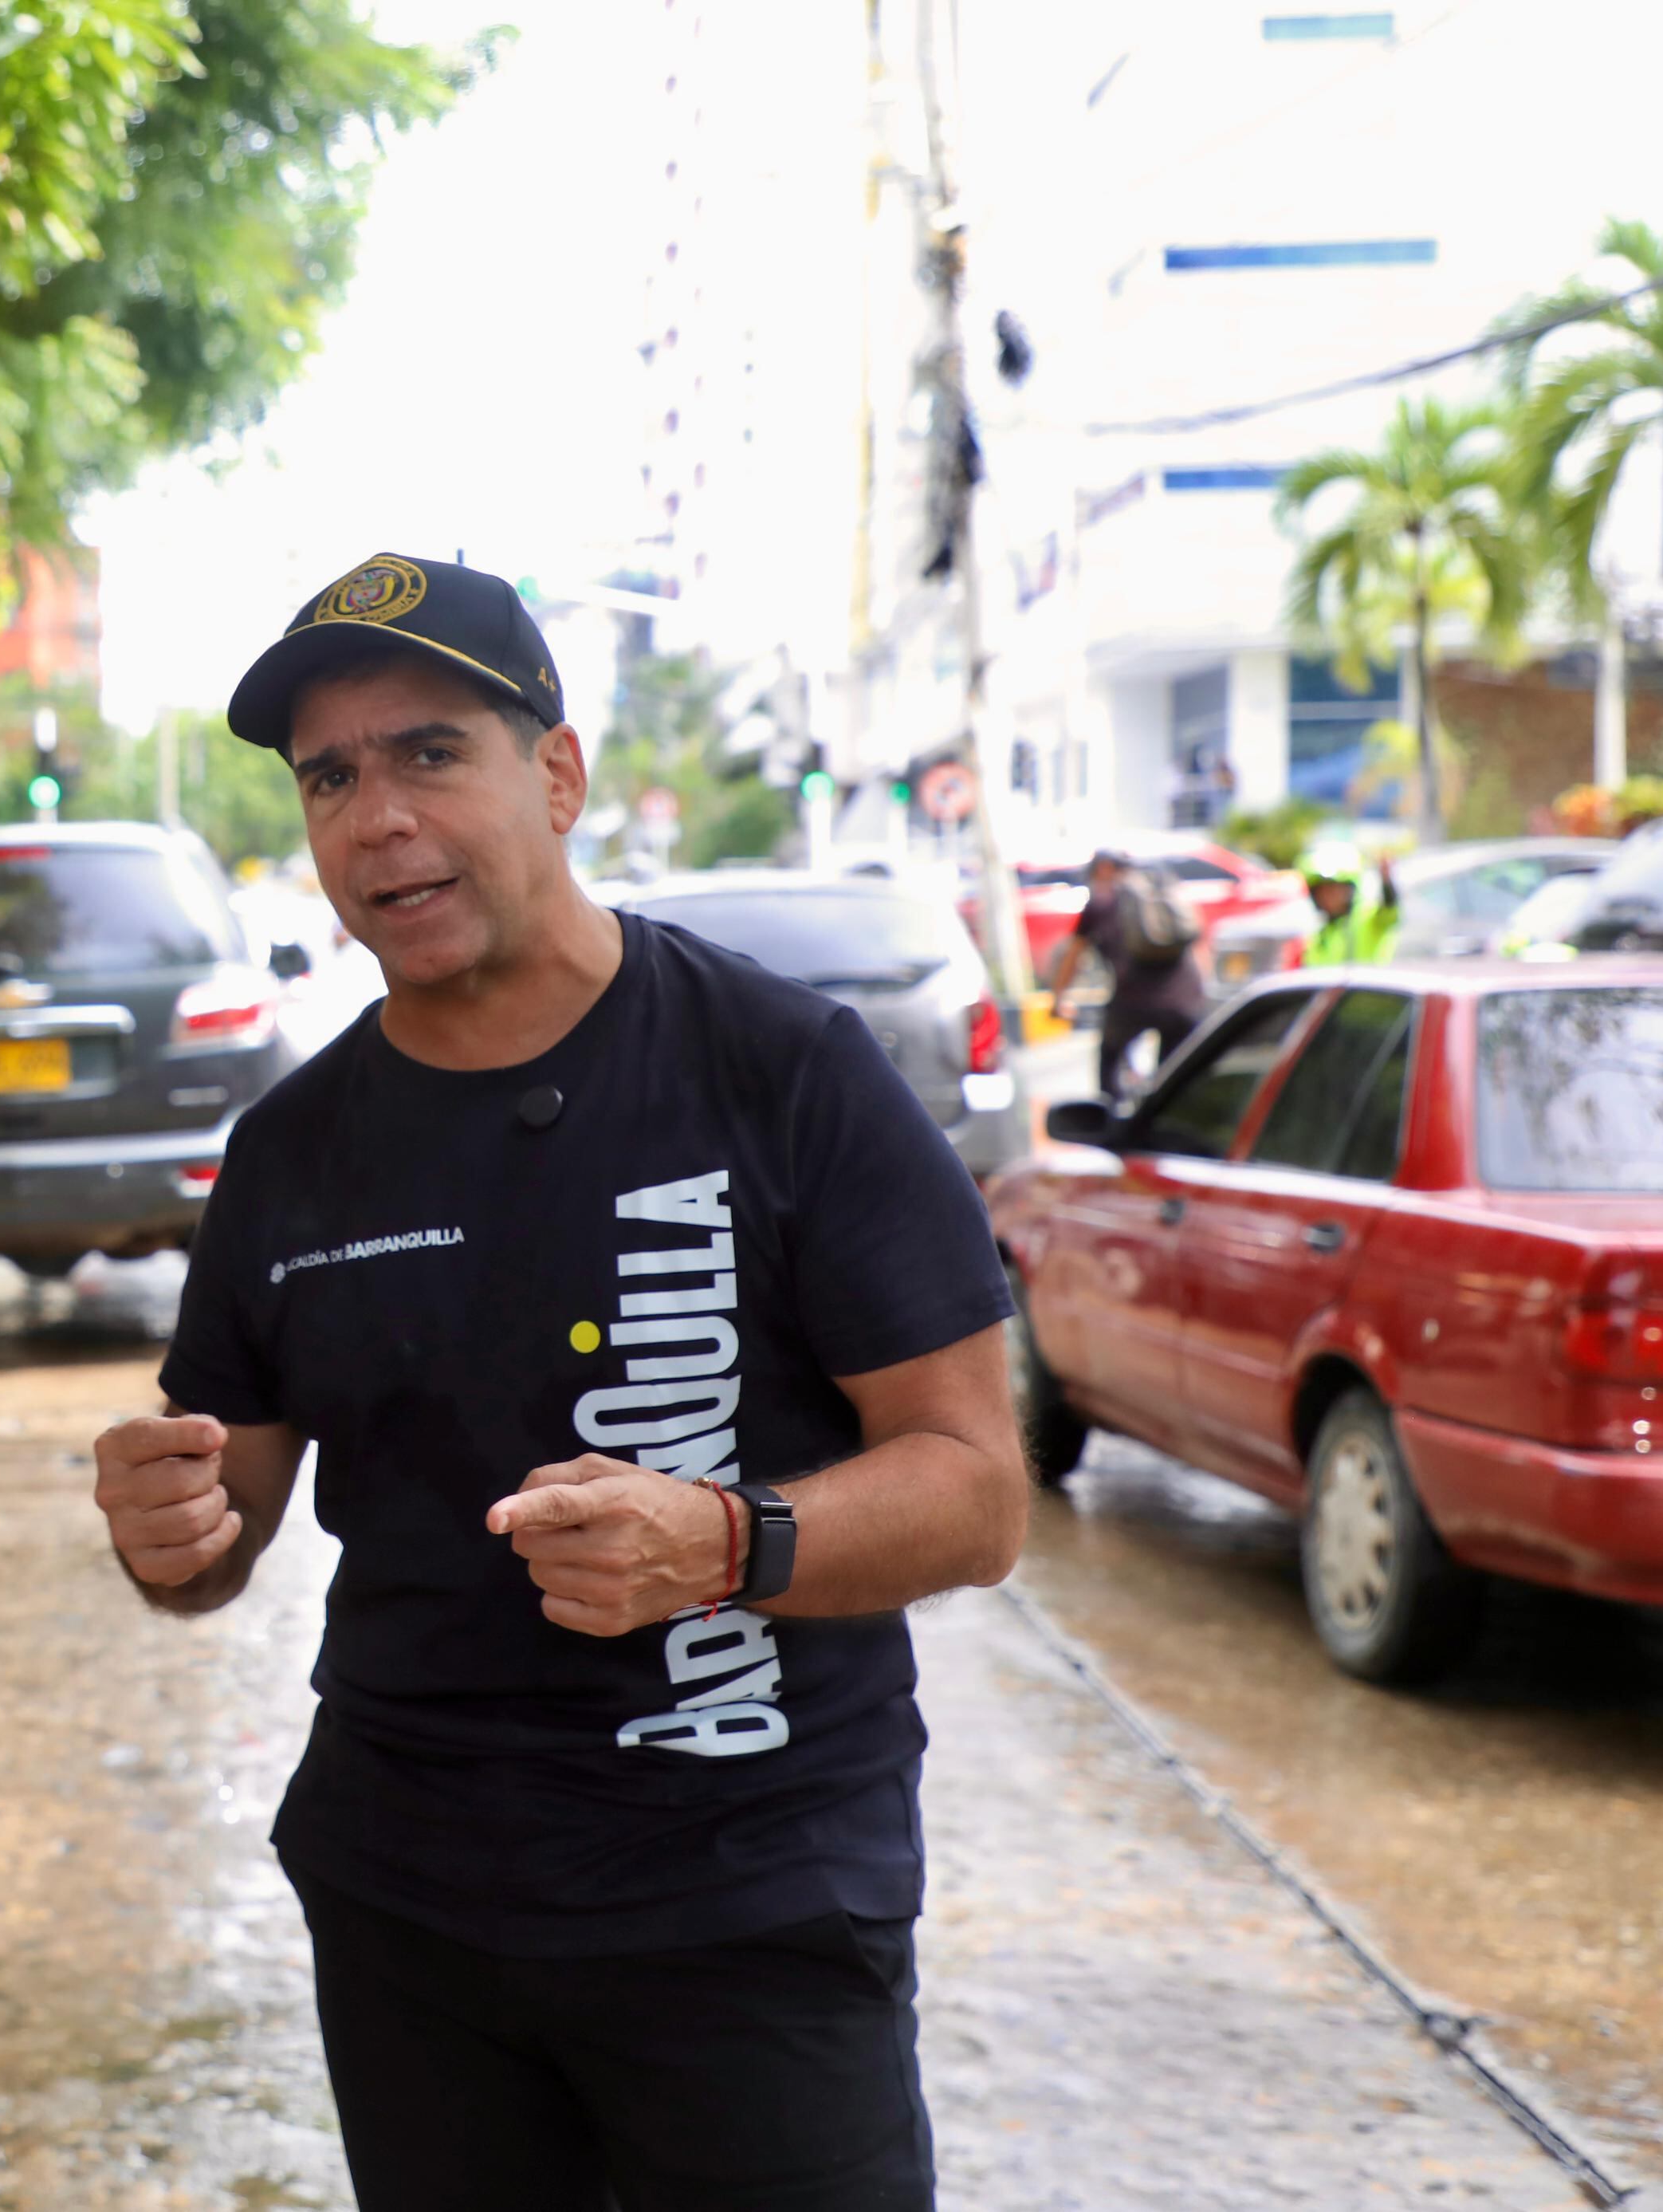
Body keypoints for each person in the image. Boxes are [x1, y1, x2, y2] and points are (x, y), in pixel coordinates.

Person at [89, 554, 1028, 2211]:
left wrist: (726, 1539)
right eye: (329, 776)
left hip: (748, 1902)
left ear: (559, 773)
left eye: (429, 751)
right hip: (415, 1918)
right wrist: (171, 1530)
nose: (374, 816)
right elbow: (215, 1532)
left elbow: (974, 1489)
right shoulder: (292, 1153)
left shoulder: (778, 1068)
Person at [1043, 847, 1209, 1105]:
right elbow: (1198, 945)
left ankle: (1111, 1128)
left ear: (1105, 868)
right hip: (1185, 1000)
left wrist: (1058, 999)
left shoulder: (1103, 901)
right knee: (1176, 1082)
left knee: (1109, 1068)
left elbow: (1073, 956)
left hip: (1132, 1002)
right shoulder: (1163, 889)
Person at [1300, 840, 1399, 966]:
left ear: (1349, 890)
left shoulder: (1367, 919)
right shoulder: (1317, 936)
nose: (1328, 897)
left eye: (1334, 890)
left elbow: (1390, 913)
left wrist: (1387, 883)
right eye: (1322, 891)